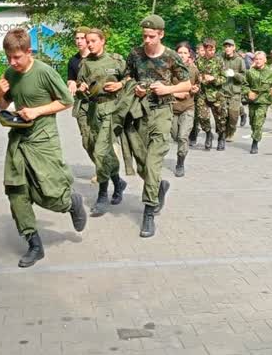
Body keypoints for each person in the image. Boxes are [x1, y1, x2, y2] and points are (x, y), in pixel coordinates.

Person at [0, 28, 86, 267]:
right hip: (18, 141)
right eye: (8, 57)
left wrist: (36, 110)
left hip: (43, 141)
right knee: (16, 193)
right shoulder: (9, 74)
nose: (12, 62)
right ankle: (34, 245)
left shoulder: (44, 72)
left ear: (29, 51)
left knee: (50, 192)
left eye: (17, 57)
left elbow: (67, 100)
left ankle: (70, 203)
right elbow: (2, 105)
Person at [124, 15, 190, 238]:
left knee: (153, 164)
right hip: (139, 113)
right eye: (144, 36)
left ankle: (148, 212)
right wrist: (136, 88)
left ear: (161, 34)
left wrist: (167, 89)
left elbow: (187, 83)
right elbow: (127, 77)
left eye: (151, 36)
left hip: (162, 113)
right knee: (143, 164)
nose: (147, 40)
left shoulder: (171, 56)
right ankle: (159, 186)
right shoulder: (135, 54)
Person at [77, 29, 128, 215]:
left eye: (93, 41)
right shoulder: (86, 63)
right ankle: (118, 182)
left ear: (102, 41)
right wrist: (81, 89)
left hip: (112, 109)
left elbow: (131, 78)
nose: (89, 44)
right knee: (100, 150)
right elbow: (80, 86)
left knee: (101, 152)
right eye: (87, 41)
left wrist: (120, 84)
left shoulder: (116, 60)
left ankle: (102, 195)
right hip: (93, 111)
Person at [66, 27, 96, 169]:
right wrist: (72, 83)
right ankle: (102, 168)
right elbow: (71, 79)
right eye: (77, 38)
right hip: (82, 104)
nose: (79, 41)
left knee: (100, 140)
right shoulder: (73, 60)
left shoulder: (97, 57)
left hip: (99, 104)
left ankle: (105, 172)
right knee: (86, 141)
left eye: (82, 38)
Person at [243, 51, 272, 154]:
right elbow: (244, 84)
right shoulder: (250, 72)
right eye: (256, 59)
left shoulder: (270, 72)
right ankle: (255, 134)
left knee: (258, 122)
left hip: (263, 100)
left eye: (260, 59)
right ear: (254, 60)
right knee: (252, 122)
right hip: (252, 100)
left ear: (265, 60)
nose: (258, 61)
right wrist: (248, 92)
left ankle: (255, 143)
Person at [171, 42, 200, 177]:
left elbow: (197, 85)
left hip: (188, 107)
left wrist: (195, 89)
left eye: (185, 53)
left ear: (189, 55)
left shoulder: (193, 69)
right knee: (175, 136)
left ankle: (180, 163)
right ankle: (181, 150)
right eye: (179, 52)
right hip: (171, 108)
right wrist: (176, 94)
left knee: (183, 137)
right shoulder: (169, 68)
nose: (182, 55)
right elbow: (161, 87)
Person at [194, 38, 226, 151]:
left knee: (221, 119)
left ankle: (221, 137)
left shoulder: (219, 61)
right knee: (202, 117)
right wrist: (199, 79)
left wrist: (214, 79)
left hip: (217, 94)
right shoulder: (198, 61)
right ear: (205, 49)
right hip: (202, 94)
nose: (212, 52)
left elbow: (224, 78)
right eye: (209, 49)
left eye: (213, 49)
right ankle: (208, 134)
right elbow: (195, 76)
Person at [221, 39, 246, 146]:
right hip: (222, 91)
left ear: (234, 47)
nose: (227, 48)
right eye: (226, 46)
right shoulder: (220, 59)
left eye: (230, 46)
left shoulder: (239, 60)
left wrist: (234, 74)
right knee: (222, 116)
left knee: (233, 116)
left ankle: (231, 132)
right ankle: (224, 133)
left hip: (235, 93)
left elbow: (244, 78)